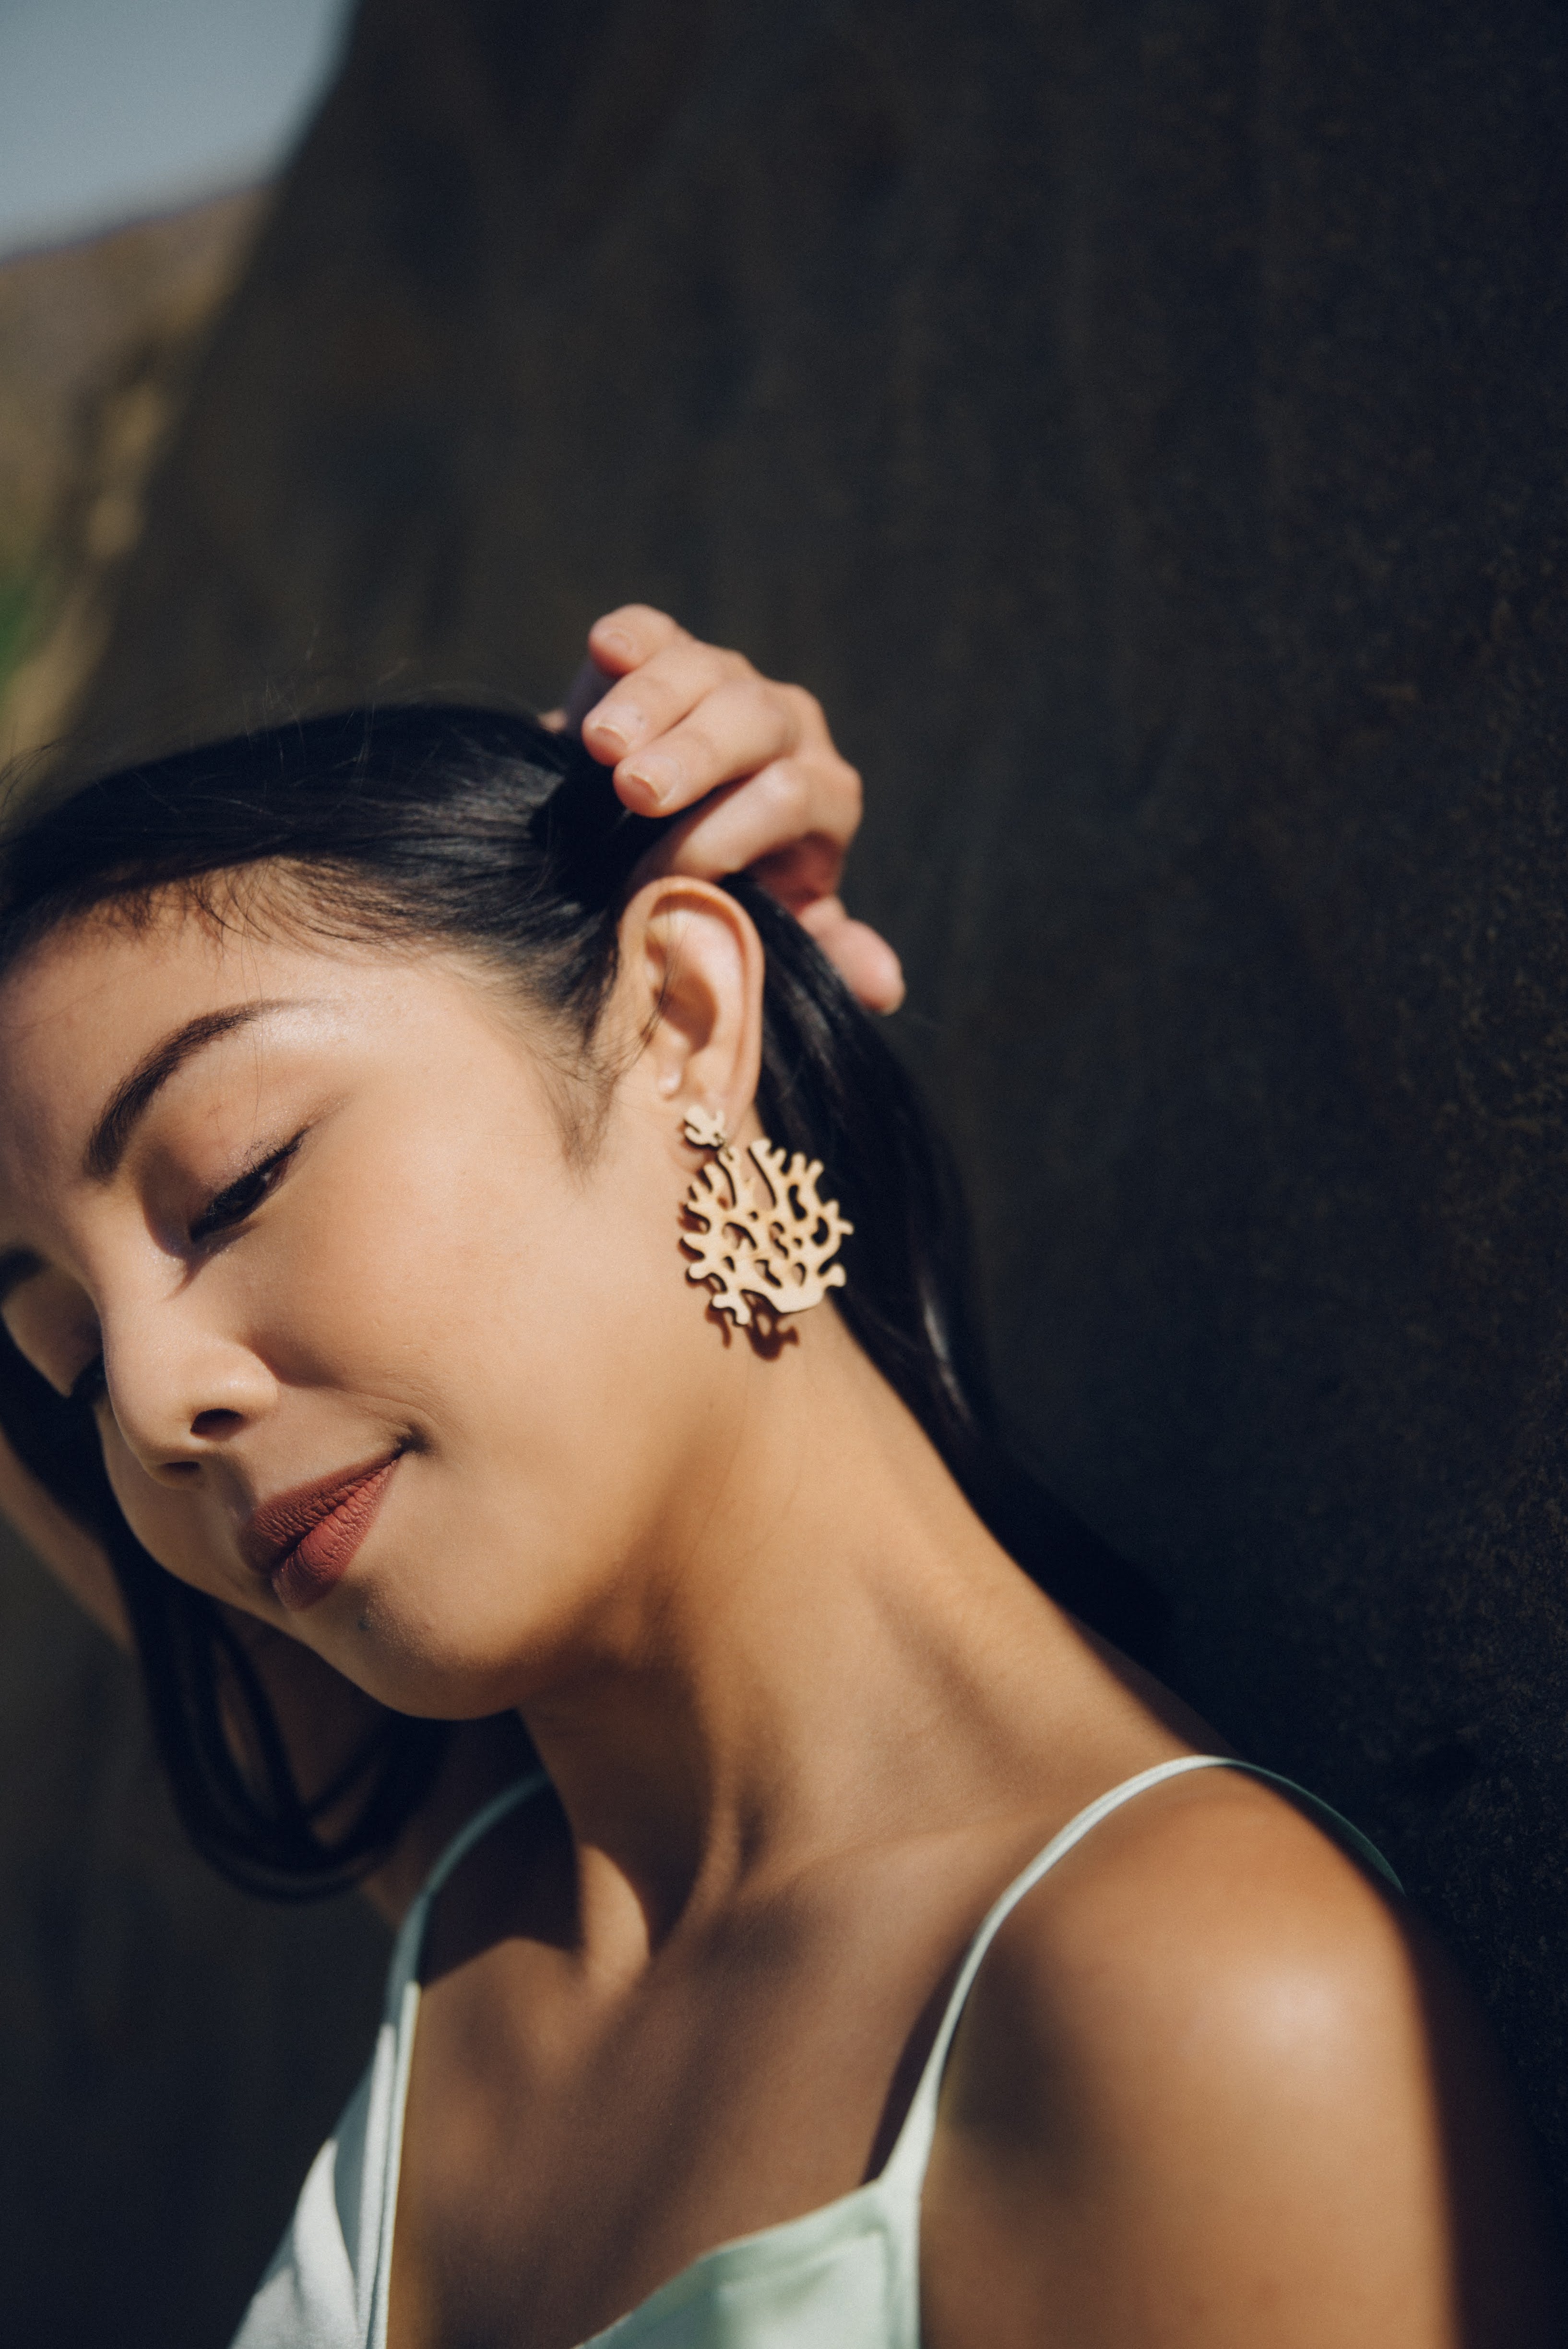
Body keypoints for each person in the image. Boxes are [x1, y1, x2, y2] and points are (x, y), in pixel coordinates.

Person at [0, 607, 1556, 2349]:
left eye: (232, 1185)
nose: (140, 1405)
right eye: (60, 1354)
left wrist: (580, 825)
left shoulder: (1195, 2015)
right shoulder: (503, 1892)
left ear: (679, 1003)